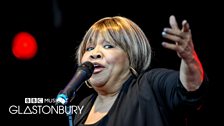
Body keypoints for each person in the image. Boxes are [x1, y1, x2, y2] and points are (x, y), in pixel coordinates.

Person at [73, 15, 208, 126]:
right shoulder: (84, 107)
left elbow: (190, 91)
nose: (94, 53)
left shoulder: (150, 85)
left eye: (108, 46)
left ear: (132, 55)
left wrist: (189, 60)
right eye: (89, 48)